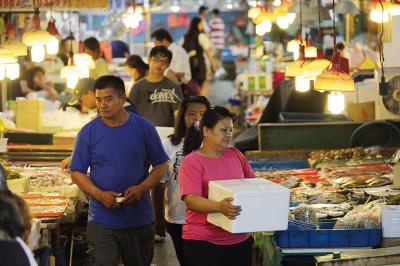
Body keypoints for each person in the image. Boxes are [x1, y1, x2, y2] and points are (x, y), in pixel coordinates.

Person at [69, 75, 169, 266]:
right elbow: (77, 172)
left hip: (139, 220)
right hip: (102, 221)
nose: (102, 105)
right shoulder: (88, 132)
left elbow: (161, 164)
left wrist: (142, 188)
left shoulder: (144, 128)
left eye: (108, 99)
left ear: (123, 99)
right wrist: (99, 195)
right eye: (99, 99)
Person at [178, 106, 255, 266]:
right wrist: (219, 207)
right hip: (203, 242)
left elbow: (253, 186)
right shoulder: (192, 162)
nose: (228, 135)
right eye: (223, 130)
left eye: (231, 130)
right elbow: (191, 199)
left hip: (239, 238)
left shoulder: (236, 155)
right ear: (206, 131)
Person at [161, 96, 210, 266]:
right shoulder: (169, 144)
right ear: (182, 116)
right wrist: (158, 219)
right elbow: (160, 183)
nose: (197, 118)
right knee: (185, 260)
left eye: (202, 114)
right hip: (178, 217)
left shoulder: (214, 144)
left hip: (209, 217)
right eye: (191, 113)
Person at [61, 77, 136, 170]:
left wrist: (76, 157)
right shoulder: (106, 111)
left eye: (81, 100)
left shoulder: (122, 110)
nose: (82, 104)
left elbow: (109, 142)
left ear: (89, 94)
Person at [128, 46, 183, 127]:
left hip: (166, 133)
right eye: (156, 60)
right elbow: (129, 114)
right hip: (143, 132)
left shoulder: (174, 87)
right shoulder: (138, 87)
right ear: (149, 60)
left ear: (168, 65)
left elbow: (178, 115)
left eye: (164, 62)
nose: (159, 64)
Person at [183, 17, 217, 97]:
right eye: (201, 24)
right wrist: (213, 64)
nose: (202, 26)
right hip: (199, 65)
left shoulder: (186, 36)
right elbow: (208, 52)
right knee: (203, 86)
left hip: (189, 66)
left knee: (192, 87)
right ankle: (204, 106)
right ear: (197, 25)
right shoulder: (201, 35)